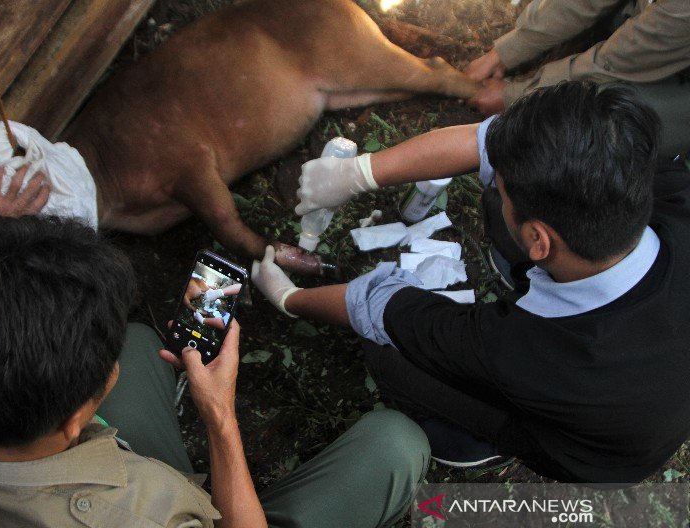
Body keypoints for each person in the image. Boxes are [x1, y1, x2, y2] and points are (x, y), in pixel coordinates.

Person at [253, 81, 690, 483]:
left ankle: (473, 442)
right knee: (506, 191)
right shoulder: (650, 177)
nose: (493, 181)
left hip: (592, 451)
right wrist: (358, 174)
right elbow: (486, 143)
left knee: (389, 356)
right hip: (649, 375)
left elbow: (381, 306)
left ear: (539, 240)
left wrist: (290, 298)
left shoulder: (529, 352)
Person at [0, 214, 429, 528]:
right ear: (72, 424)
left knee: (135, 343)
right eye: (98, 372)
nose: (108, 363)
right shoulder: (143, 519)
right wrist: (219, 417)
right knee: (396, 444)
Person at [464, 0, 690, 160]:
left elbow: (614, 63)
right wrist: (505, 53)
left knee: (609, 119)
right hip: (655, 29)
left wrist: (515, 96)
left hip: (676, 80)